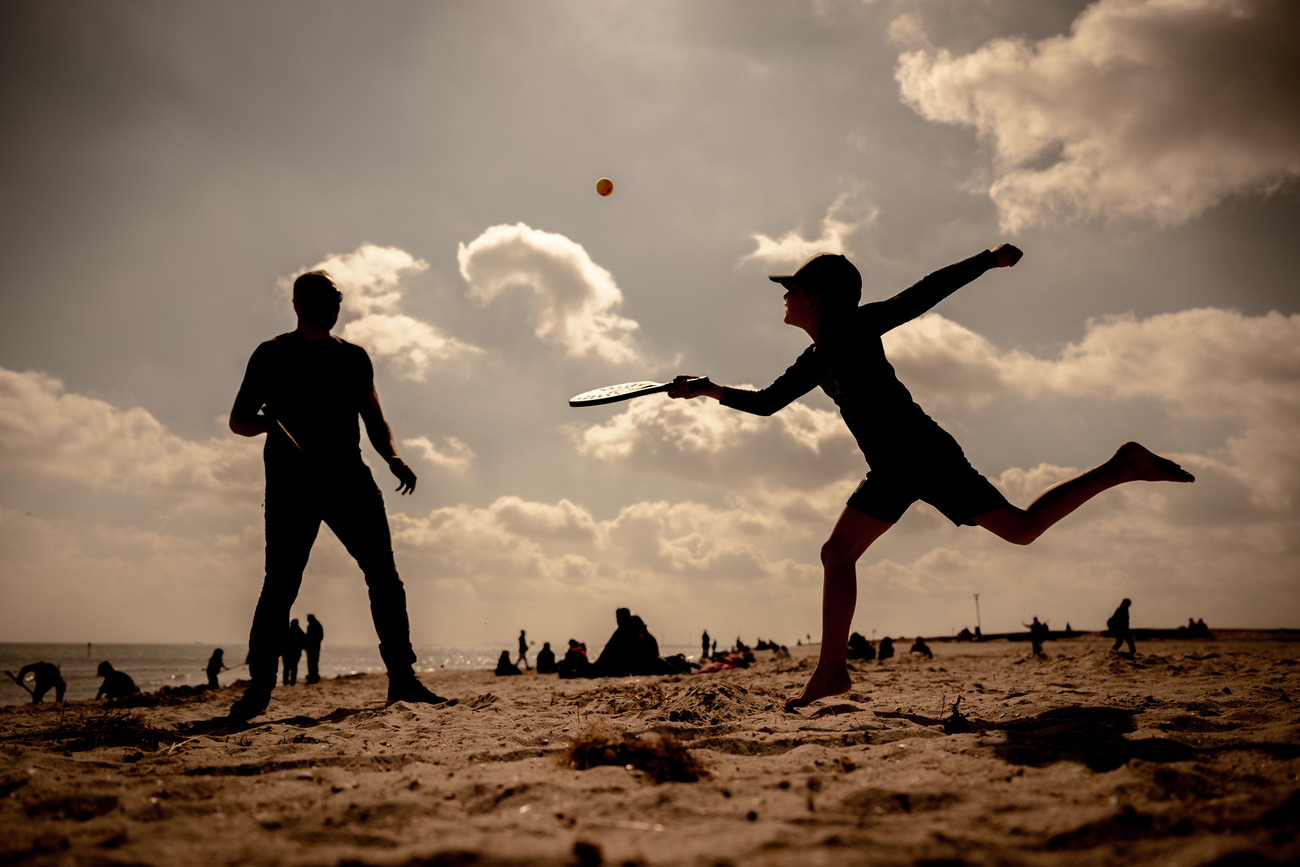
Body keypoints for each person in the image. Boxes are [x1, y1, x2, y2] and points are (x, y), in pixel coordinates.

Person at [668, 247, 1194, 709]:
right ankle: (831, 671)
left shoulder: (856, 326)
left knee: (1021, 529)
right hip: (893, 467)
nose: (784, 297)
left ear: (819, 299)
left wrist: (986, 261)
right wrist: (707, 388)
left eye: (792, 289)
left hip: (922, 454)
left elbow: (923, 294)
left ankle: (1123, 466)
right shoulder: (814, 359)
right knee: (838, 555)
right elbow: (765, 404)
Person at [226, 270, 451, 720]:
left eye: (334, 300)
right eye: (318, 300)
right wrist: (272, 423)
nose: (328, 308)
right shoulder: (271, 355)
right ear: (297, 304)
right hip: (292, 485)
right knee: (281, 585)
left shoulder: (353, 358)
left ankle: (402, 679)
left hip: (350, 479)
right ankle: (259, 689)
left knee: (384, 577)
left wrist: (391, 456)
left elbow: (374, 417)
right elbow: (239, 420)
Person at [283, 619, 305, 685]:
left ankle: (286, 681)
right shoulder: (300, 632)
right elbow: (304, 641)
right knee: (294, 667)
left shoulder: (288, 631)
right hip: (296, 652)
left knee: (287, 667)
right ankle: (292, 681)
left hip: (287, 652)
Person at [304, 614, 324, 684]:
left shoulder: (312, 626)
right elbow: (321, 637)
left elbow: (318, 637)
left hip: (312, 647)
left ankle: (313, 676)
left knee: (312, 662)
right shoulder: (318, 625)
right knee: (314, 662)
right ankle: (313, 676)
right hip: (315, 647)